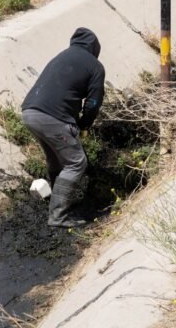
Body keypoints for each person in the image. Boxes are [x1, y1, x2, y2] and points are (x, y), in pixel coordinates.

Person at [21, 27, 105, 228]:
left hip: (29, 112)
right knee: (76, 162)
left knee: (57, 158)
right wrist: (84, 124)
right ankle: (58, 216)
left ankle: (54, 200)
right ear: (95, 48)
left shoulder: (61, 56)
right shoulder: (95, 66)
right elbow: (93, 103)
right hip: (52, 117)